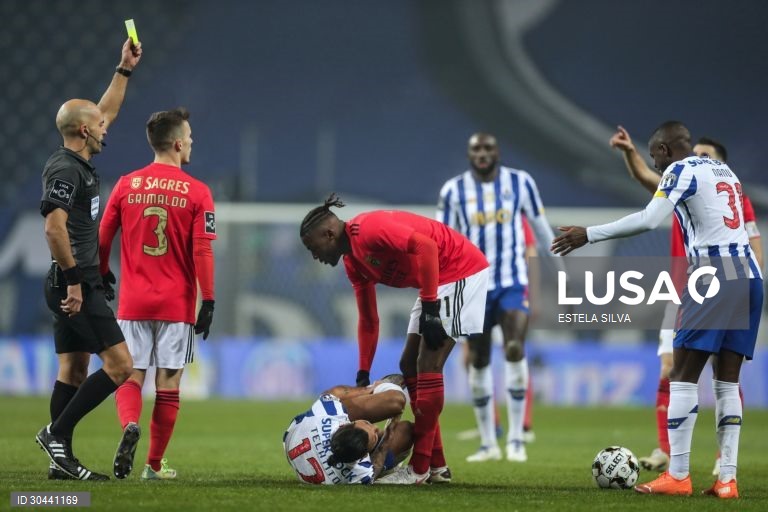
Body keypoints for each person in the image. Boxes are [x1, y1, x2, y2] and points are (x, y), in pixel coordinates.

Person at [553, 121, 762, 499]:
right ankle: (727, 480)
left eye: (654, 156)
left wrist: (589, 234)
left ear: (665, 151)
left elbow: (649, 218)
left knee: (681, 376)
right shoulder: (724, 171)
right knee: (727, 381)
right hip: (749, 277)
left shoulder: (680, 170)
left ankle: (678, 475)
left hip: (714, 275)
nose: (656, 163)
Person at [300, 194, 489, 484]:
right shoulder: (354, 263)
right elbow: (368, 319)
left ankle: (419, 468)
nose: (315, 256)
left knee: (429, 364)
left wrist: (430, 308)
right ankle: (437, 465)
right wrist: (363, 371)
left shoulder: (370, 229)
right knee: (408, 365)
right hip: (436, 284)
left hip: (459, 270)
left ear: (329, 234)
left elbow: (426, 246)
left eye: (313, 247)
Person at [609, 126, 762, 476]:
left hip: (715, 284)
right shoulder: (681, 181)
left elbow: (754, 245)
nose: (697, 158)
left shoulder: (735, 197)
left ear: (720, 165)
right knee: (672, 369)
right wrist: (630, 153)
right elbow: (649, 179)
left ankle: (709, 463)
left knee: (718, 375)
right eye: (695, 153)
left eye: (706, 155)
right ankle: (668, 452)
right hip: (679, 292)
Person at [35, 38, 143, 481]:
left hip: (71, 280)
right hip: (73, 282)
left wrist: (124, 68)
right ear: (84, 132)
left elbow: (107, 109)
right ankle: (56, 435)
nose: (106, 127)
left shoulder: (77, 159)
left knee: (74, 369)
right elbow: (53, 228)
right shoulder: (66, 170)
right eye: (99, 125)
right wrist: (77, 280)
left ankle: (59, 463)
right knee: (120, 366)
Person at [98, 108, 217, 480]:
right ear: (178, 143)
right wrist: (209, 299)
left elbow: (103, 236)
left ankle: (129, 425)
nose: (192, 142)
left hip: (133, 302)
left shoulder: (125, 184)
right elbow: (202, 249)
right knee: (168, 383)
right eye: (190, 137)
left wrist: (102, 272)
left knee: (130, 376)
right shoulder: (198, 192)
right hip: (175, 304)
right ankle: (152, 465)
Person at [437, 133, 561, 463]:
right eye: (476, 148)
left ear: (497, 152)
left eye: (487, 148)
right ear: (469, 154)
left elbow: (541, 228)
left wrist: (563, 269)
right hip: (474, 285)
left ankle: (517, 439)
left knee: (515, 348)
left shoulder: (521, 183)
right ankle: (489, 443)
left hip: (512, 283)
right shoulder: (453, 191)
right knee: (478, 359)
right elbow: (441, 240)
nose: (482, 153)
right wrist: (443, 288)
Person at [283, 376, 414, 485]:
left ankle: (376, 388)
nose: (375, 427)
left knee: (395, 402)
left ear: (344, 425)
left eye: (367, 423)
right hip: (298, 446)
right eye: (374, 434)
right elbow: (377, 465)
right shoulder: (360, 472)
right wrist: (390, 429)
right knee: (406, 431)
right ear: (363, 456)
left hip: (299, 432)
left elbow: (332, 393)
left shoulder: (327, 414)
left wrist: (367, 390)